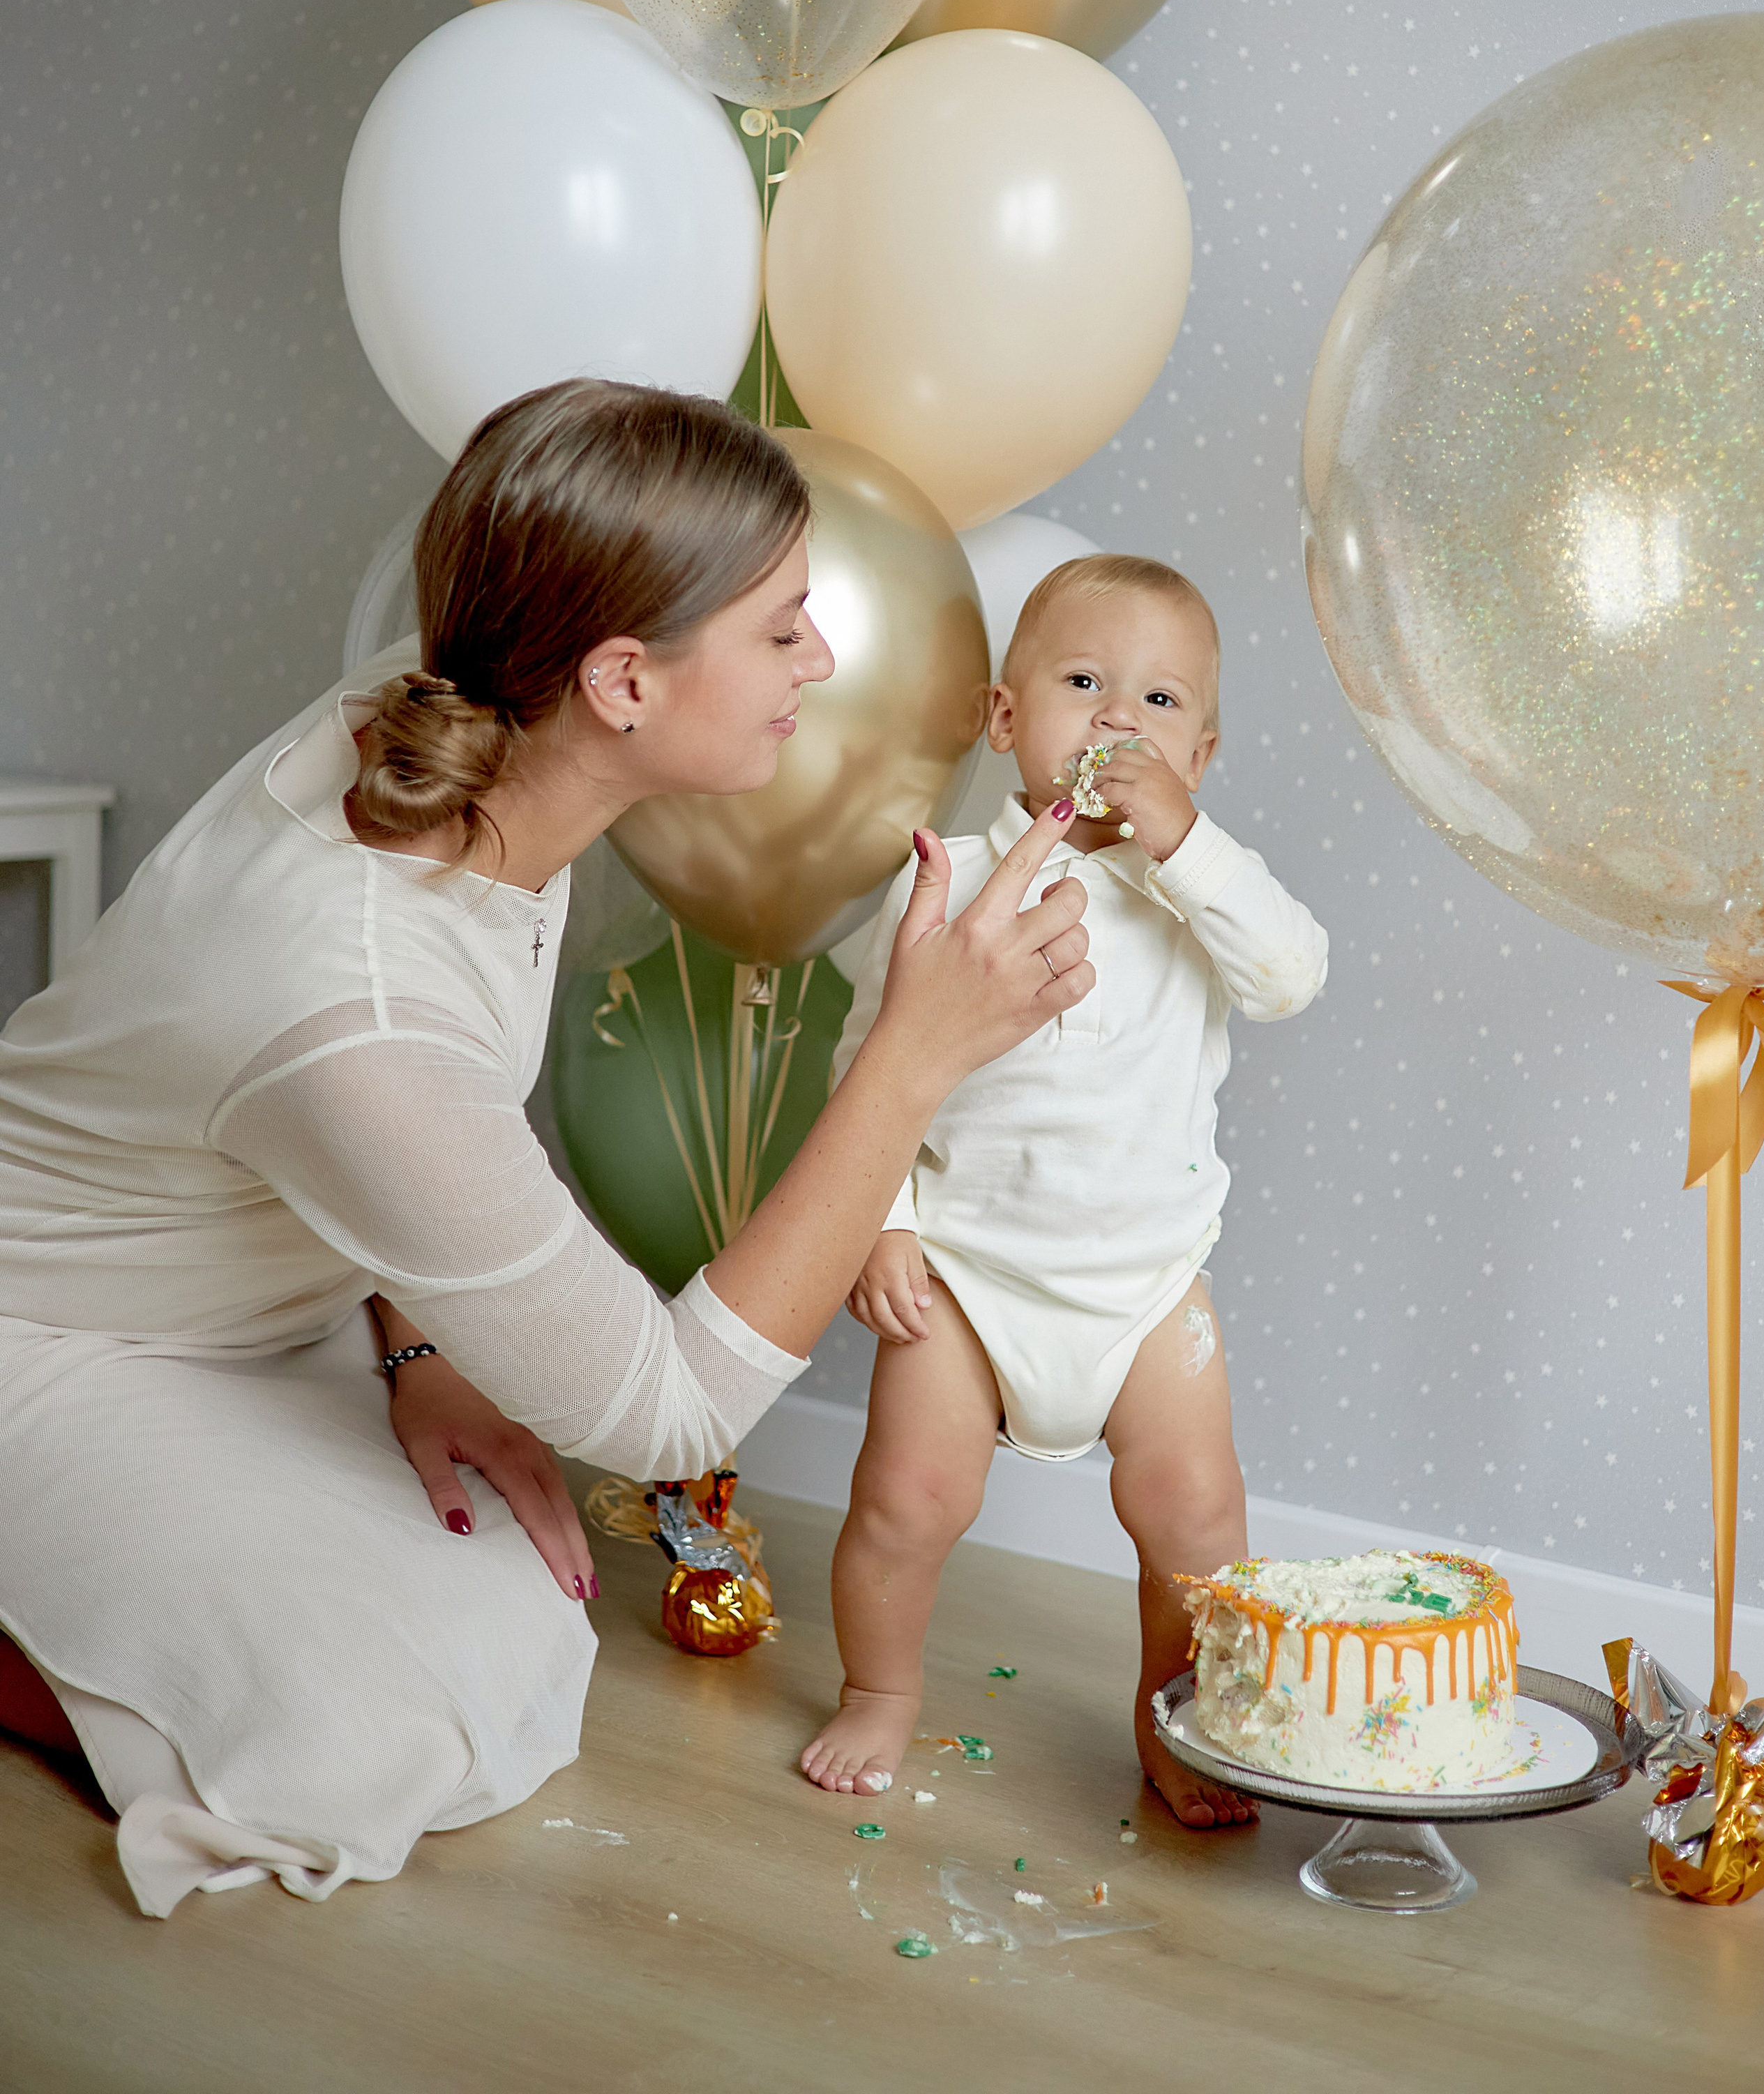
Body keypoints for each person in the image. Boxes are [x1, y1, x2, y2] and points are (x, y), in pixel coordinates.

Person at [0, 379, 1094, 1917]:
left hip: (270, 1302)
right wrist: (913, 1053)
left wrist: (414, 1348)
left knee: (519, 1634)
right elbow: (659, 1418)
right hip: (56, 1333)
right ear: (625, 679)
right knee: (362, 1744)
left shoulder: (478, 704)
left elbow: (398, 1129)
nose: (823, 663)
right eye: (783, 627)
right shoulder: (353, 1001)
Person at [799, 555, 1327, 1826]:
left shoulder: (1202, 888)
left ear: (1201, 754)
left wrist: (1187, 847)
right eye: (1084, 683)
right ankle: (878, 1687)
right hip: (970, 1276)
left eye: (1157, 703)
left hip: (1145, 1287)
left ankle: (1177, 1724)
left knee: (1196, 1520)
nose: (1114, 722)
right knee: (907, 1500)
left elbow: (1292, 975)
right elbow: (862, 1064)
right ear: (1003, 719)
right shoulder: (948, 878)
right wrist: (887, 1221)